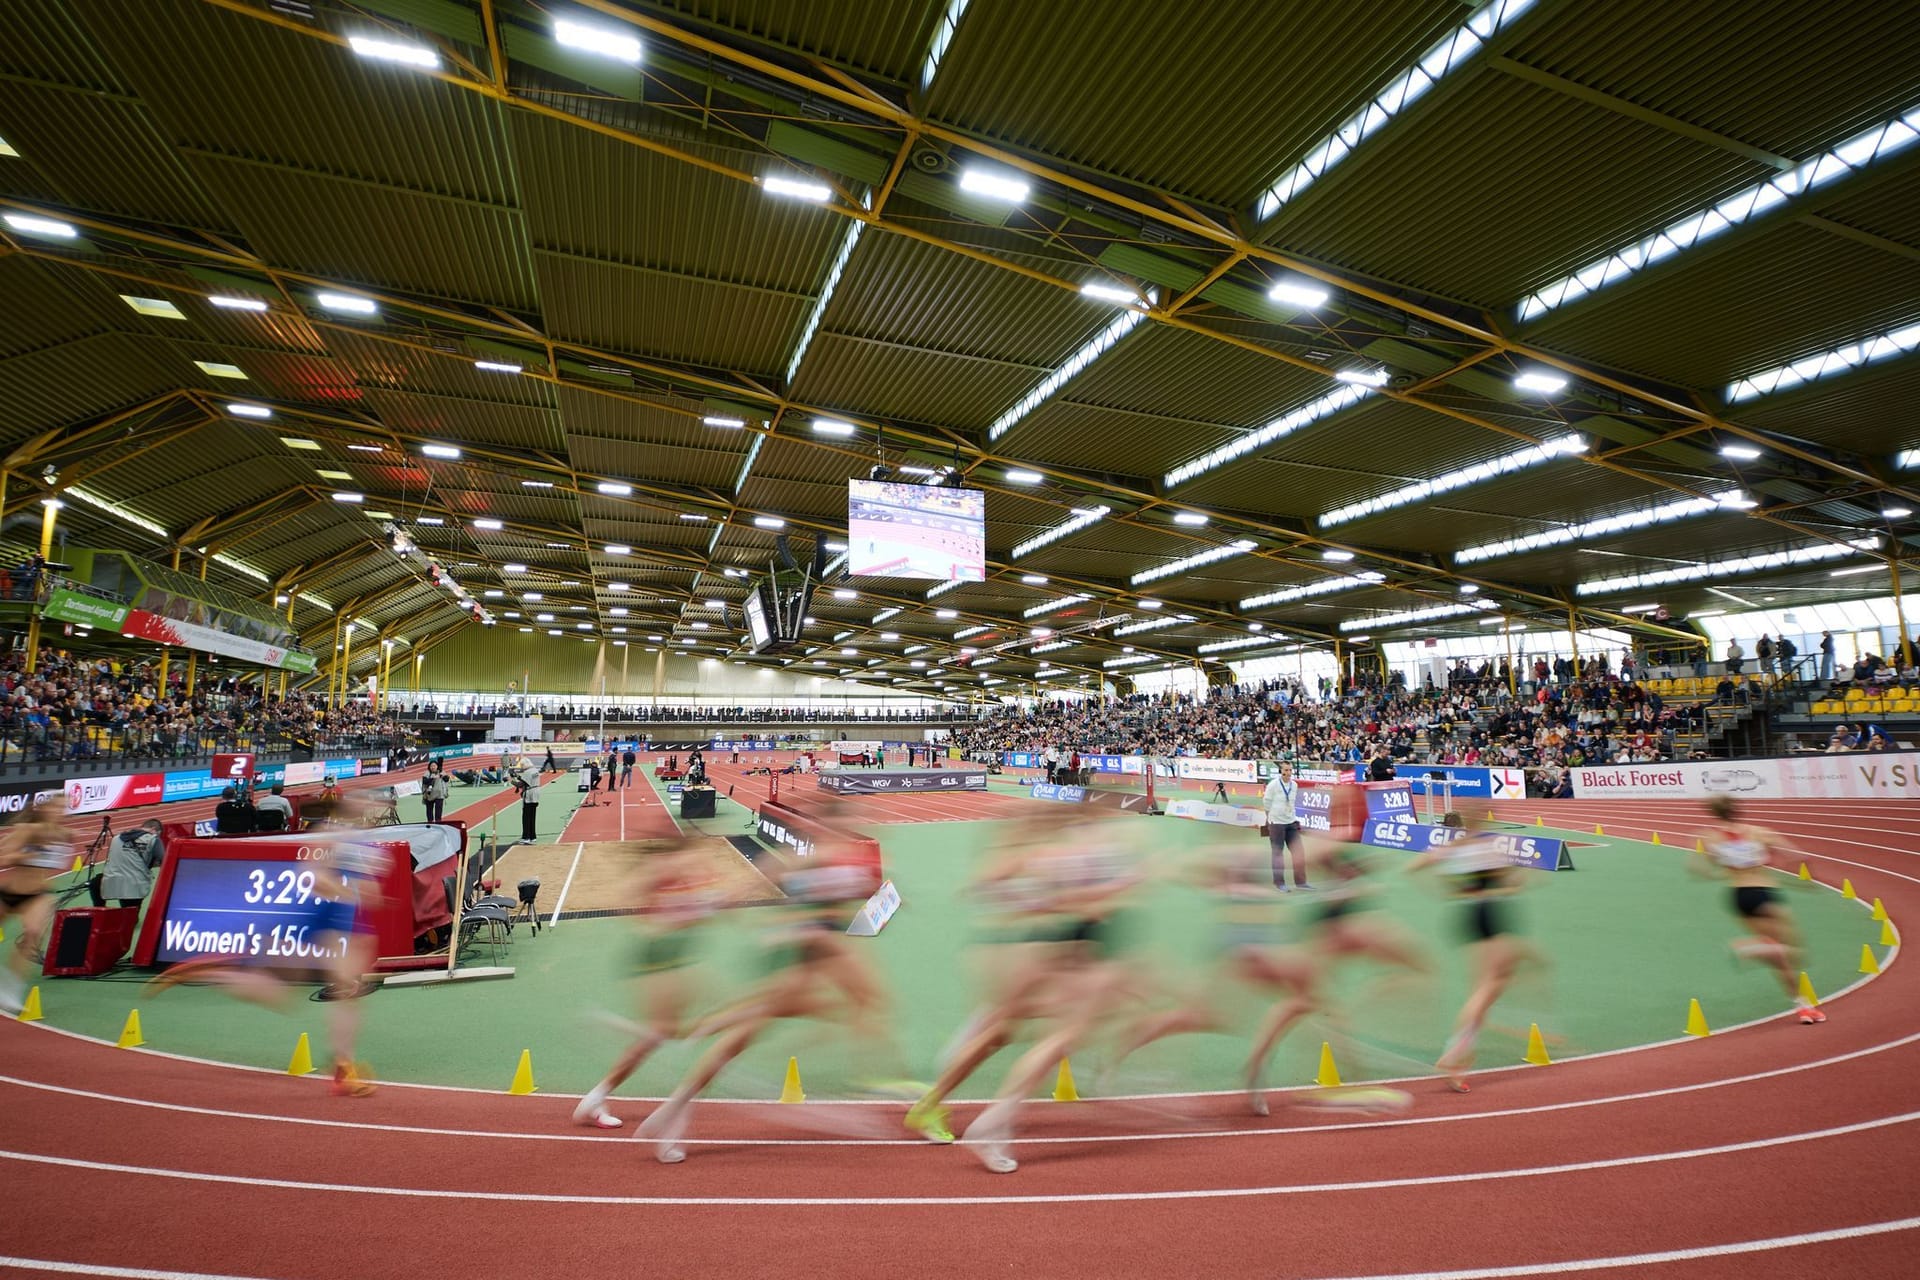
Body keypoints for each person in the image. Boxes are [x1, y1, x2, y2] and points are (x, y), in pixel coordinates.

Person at [149, 824, 396, 1095]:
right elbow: (317, 877)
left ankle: (342, 1067)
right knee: (280, 995)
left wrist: (362, 895)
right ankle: (212, 970)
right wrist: (346, 889)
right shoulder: (341, 846)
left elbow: (358, 892)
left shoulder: (358, 848)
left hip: (338, 921)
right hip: (325, 918)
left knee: (337, 994)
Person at [573, 840, 722, 1128]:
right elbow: (642, 905)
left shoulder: (681, 885)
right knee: (662, 1031)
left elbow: (703, 910)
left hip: (673, 961)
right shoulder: (662, 883)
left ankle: (598, 1092)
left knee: (677, 1030)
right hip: (656, 961)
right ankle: (595, 1097)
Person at [1407, 812, 1536, 1092]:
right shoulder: (1486, 847)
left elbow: (1414, 867)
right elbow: (1513, 880)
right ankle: (1453, 1053)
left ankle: (1460, 1057)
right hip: (1489, 911)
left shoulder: (1455, 847)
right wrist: (1514, 878)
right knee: (1490, 986)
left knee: (1487, 985)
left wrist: (1447, 889)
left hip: (1468, 913)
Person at [1694, 794, 1822, 1024]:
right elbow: (1799, 857)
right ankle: (1745, 949)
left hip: (1738, 895)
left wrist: (1721, 869)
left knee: (1778, 955)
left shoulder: (1710, 837)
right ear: (1737, 809)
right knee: (1794, 951)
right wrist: (1804, 881)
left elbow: (1700, 871)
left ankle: (1803, 1006)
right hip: (1763, 892)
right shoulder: (1760, 832)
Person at [0, 798, 74, 1014]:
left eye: (64, 808)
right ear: (43, 809)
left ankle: (10, 992)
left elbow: (59, 863)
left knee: (32, 935)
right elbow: (4, 858)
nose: (61, 811)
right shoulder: (27, 829)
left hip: (39, 894)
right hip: (10, 892)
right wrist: (28, 854)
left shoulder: (63, 835)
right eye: (56, 807)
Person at [96, 819, 164, 908]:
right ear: (153, 829)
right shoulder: (153, 839)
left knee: (96, 881)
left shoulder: (116, 838)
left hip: (111, 881)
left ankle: (100, 910)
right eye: (158, 833)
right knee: (131, 916)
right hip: (136, 885)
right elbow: (164, 860)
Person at [1262, 761, 1309, 891]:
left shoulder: (1294, 785)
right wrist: (1269, 819)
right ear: (1280, 771)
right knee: (1278, 853)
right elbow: (1266, 803)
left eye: (1290, 770)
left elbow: (1292, 803)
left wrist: (1293, 817)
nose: (1288, 773)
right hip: (1276, 823)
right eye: (1285, 770)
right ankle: (1279, 883)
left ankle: (1301, 882)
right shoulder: (1273, 785)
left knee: (1298, 852)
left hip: (1291, 821)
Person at [515, 757, 542, 843]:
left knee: (526, 816)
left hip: (529, 795)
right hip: (536, 793)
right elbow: (527, 780)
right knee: (532, 816)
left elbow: (521, 784)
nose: (521, 767)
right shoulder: (535, 770)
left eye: (522, 765)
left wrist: (511, 780)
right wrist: (517, 776)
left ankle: (526, 836)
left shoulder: (527, 772)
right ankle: (532, 836)